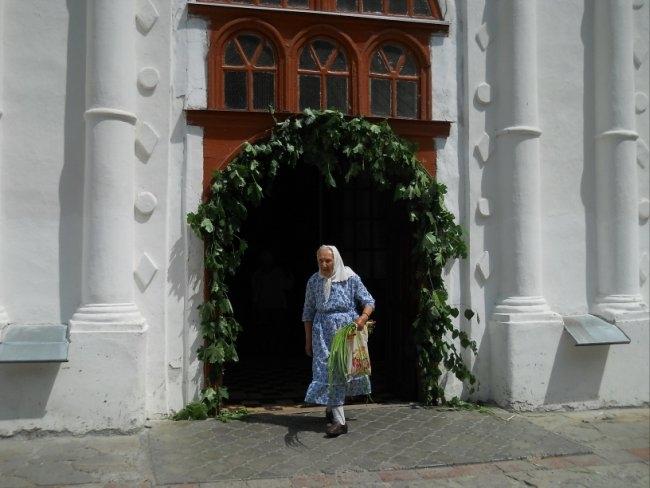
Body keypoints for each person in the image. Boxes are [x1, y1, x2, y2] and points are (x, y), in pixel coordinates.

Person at [302, 245, 375, 437]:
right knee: (326, 370)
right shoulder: (314, 281)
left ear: (336, 260)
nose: (324, 264)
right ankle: (332, 410)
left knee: (338, 372)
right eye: (320, 261)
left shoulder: (350, 278)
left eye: (328, 260)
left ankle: (340, 422)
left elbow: (369, 301)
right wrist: (308, 340)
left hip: (345, 332)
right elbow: (308, 312)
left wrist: (363, 318)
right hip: (321, 333)